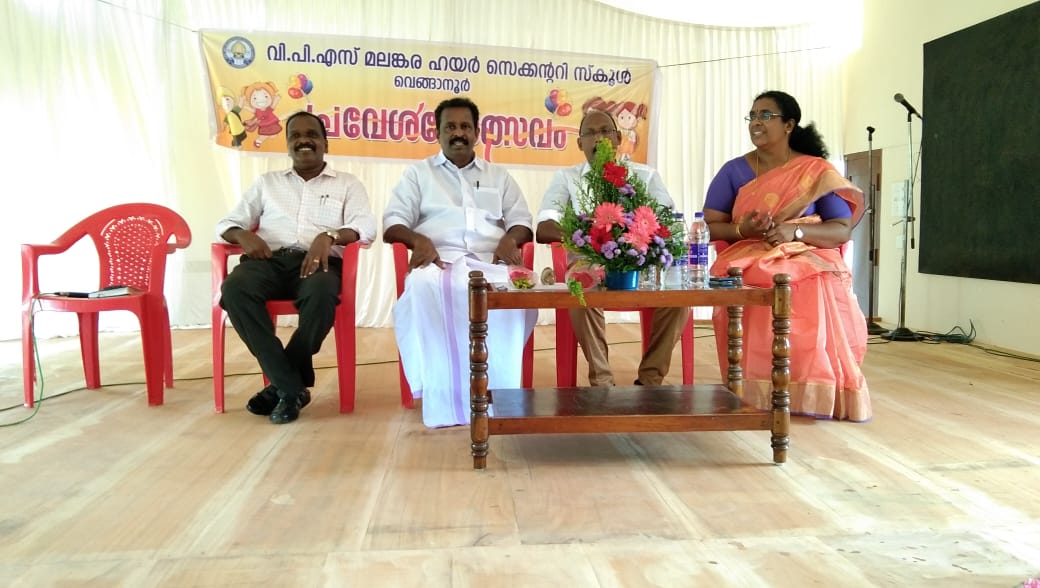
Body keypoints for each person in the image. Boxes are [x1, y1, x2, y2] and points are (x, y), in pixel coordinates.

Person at [703, 90, 870, 421]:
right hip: (748, 251)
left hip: (804, 250)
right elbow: (708, 227)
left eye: (765, 115)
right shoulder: (734, 171)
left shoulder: (815, 171)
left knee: (814, 279)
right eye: (752, 116)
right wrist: (743, 229)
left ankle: (813, 388)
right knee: (749, 276)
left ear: (789, 125)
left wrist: (795, 232)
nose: (756, 122)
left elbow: (841, 229)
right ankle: (754, 389)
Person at [384, 97, 536, 428]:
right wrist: (418, 240)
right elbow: (393, 222)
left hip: (490, 260)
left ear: (477, 133)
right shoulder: (418, 174)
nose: (458, 133)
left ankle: (501, 396)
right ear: (437, 132)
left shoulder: (498, 175)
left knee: (516, 291)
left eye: (465, 126)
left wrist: (511, 238)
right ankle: (442, 396)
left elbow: (522, 221)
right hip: (438, 260)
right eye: (450, 126)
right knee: (422, 286)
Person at [216, 111, 377, 424]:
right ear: (288, 145)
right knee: (234, 289)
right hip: (268, 261)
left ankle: (281, 386)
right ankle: (291, 387)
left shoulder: (348, 184)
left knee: (322, 294)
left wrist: (329, 236)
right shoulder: (267, 183)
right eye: (296, 136)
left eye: (312, 135)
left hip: (319, 264)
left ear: (325, 144)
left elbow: (366, 227)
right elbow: (228, 222)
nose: (304, 140)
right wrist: (242, 235)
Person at [535, 108, 689, 387]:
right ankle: (602, 383)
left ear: (618, 138)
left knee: (680, 294)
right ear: (580, 143)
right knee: (580, 285)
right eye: (590, 133)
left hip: (641, 259)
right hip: (588, 258)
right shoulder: (567, 178)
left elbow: (667, 222)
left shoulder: (645, 176)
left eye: (605, 131)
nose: (599, 138)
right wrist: (588, 237)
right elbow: (545, 227)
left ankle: (650, 380)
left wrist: (634, 236)